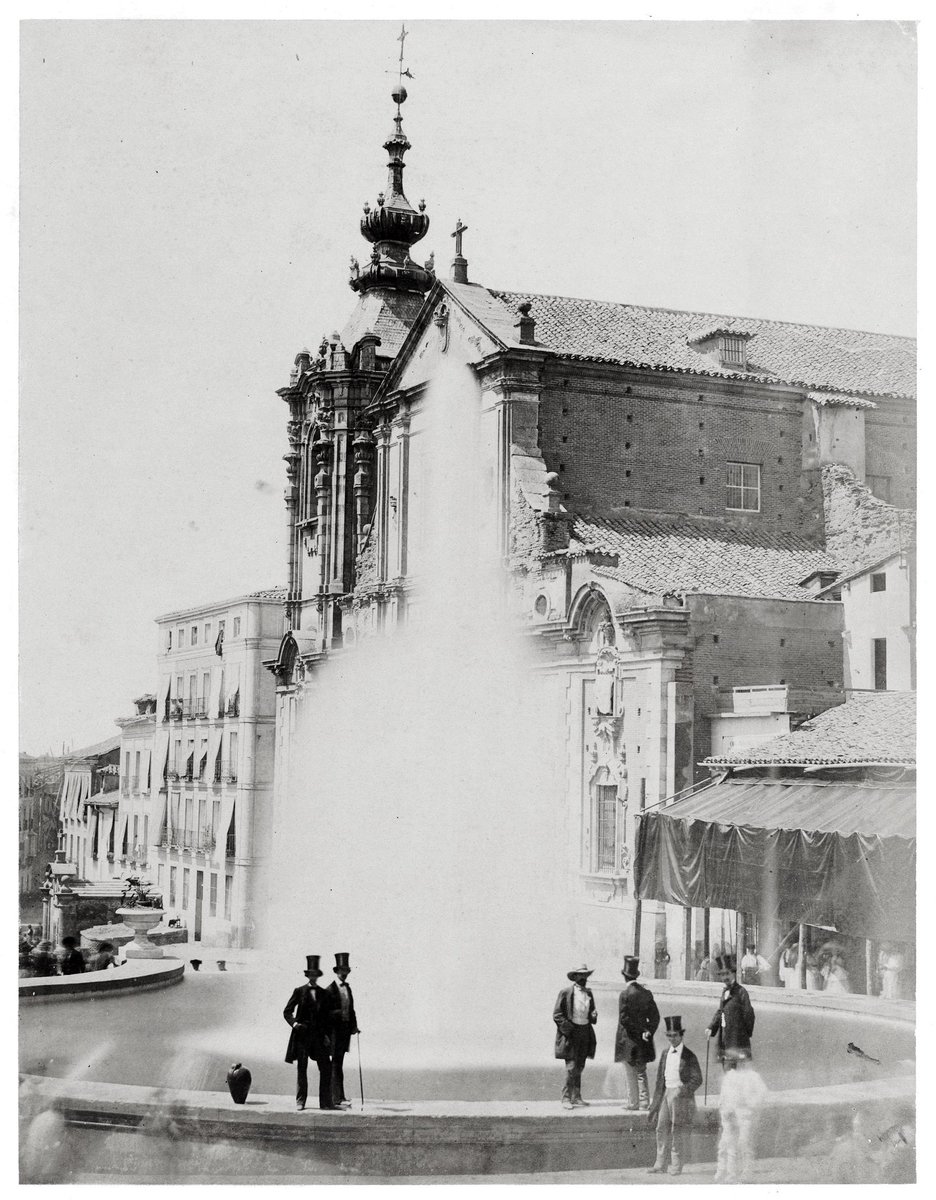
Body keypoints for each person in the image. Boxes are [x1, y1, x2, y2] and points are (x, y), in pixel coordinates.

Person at [647, 1015, 703, 1176]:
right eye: (669, 1036)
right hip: (666, 1094)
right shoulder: (665, 1053)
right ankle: (660, 1164)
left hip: (680, 1096)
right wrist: (655, 1103)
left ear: (681, 1035)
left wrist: (682, 1090)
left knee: (677, 1129)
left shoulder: (689, 1055)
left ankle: (676, 1165)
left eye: (675, 1035)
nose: (672, 1039)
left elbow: (697, 1079)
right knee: (661, 1128)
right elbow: (660, 1080)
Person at [283, 954, 335, 1111]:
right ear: (307, 975)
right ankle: (300, 1101)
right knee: (302, 1068)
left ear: (318, 975)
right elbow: (287, 1011)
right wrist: (295, 1024)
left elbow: (327, 1018)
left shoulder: (324, 993)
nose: (313, 976)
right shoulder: (299, 991)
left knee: (326, 1067)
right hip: (302, 1036)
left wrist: (327, 1036)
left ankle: (325, 1103)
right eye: (311, 974)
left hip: (318, 1037)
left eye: (315, 974)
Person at [714, 1048, 769, 1183]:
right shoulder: (730, 1076)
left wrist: (750, 1104)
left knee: (744, 1144)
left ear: (749, 1061)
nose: (742, 1063)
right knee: (727, 1145)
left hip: (746, 1115)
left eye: (745, 1060)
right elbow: (723, 1097)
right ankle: (728, 1174)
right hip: (730, 1114)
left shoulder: (754, 1076)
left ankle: (747, 1174)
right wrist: (724, 1111)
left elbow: (762, 1093)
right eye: (739, 1060)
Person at [614, 954, 659, 1110]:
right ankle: (644, 1102)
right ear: (636, 976)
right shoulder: (646, 993)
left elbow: (624, 1019)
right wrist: (648, 1031)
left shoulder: (625, 995)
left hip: (628, 1039)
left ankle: (633, 1102)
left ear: (625, 977)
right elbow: (655, 1017)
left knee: (629, 1071)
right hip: (643, 1040)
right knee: (641, 1070)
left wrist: (638, 1030)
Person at [553, 963, 597, 1109]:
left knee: (580, 1065)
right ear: (575, 976)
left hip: (585, 1031)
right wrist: (569, 1030)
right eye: (581, 975)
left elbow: (592, 1014)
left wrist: (593, 1015)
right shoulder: (565, 992)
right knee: (571, 1066)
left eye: (585, 975)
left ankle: (576, 1097)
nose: (583, 978)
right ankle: (566, 1098)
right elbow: (557, 1015)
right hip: (572, 1033)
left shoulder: (589, 993)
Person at [707, 954, 755, 1070]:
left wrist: (745, 1034)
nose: (725, 977)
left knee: (735, 1073)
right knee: (728, 1071)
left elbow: (749, 1014)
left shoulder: (741, 992)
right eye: (722, 975)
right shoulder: (725, 992)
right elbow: (720, 1012)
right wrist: (711, 1027)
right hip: (725, 1040)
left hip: (737, 1041)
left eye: (727, 974)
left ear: (733, 973)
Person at [325, 952, 359, 1109]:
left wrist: (354, 1026)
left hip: (345, 1032)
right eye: (341, 971)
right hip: (334, 1033)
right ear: (336, 971)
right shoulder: (330, 990)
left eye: (346, 971)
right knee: (335, 1065)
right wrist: (337, 1013)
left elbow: (351, 1010)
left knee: (339, 1063)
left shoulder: (348, 989)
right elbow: (324, 1014)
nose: (344, 973)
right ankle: (335, 1098)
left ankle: (340, 1097)